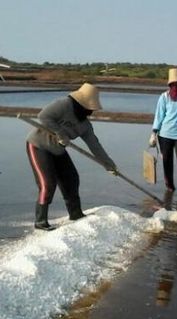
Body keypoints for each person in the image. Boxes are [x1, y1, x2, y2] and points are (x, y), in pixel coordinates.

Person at [26, 83, 117, 231]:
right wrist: (60, 133)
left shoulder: (85, 125)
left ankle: (75, 214)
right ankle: (41, 221)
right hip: (39, 145)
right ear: (82, 103)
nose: (90, 111)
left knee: (72, 179)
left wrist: (108, 164)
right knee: (47, 184)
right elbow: (43, 116)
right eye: (89, 108)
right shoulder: (64, 104)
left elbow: (95, 145)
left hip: (58, 150)